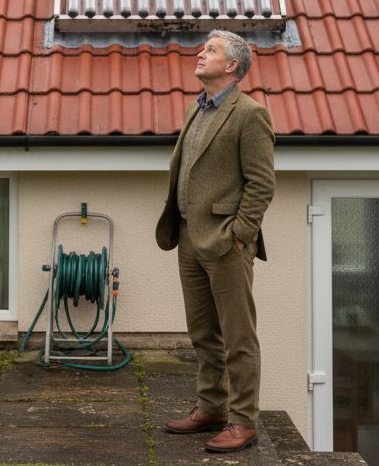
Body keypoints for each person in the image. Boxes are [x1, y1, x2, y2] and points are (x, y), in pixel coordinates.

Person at [155, 28, 275, 453]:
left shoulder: (250, 114)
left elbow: (261, 184)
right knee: (203, 333)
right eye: (203, 48)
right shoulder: (196, 108)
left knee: (238, 337)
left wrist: (239, 235)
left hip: (226, 243)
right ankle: (211, 408)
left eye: (211, 50)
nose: (200, 54)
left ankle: (243, 421)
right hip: (189, 237)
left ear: (232, 65)